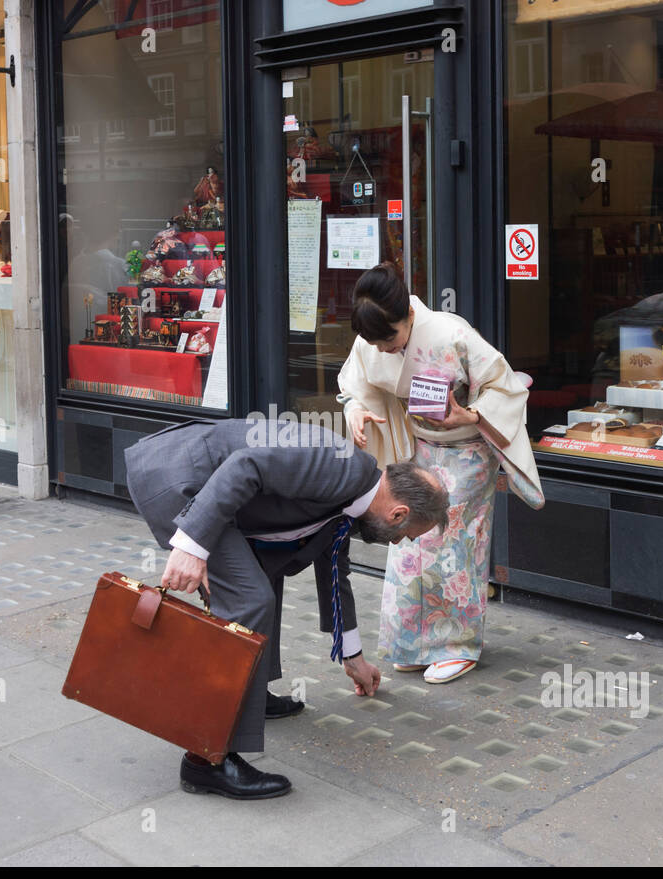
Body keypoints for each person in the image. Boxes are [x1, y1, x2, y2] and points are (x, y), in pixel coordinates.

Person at [125, 418, 449, 799]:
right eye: (407, 535)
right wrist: (193, 546)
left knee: (265, 572)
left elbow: (334, 573)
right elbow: (246, 466)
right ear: (398, 513)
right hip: (179, 478)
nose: (398, 543)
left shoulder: (354, 497)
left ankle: (251, 692)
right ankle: (205, 759)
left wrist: (353, 656)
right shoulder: (341, 467)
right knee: (250, 599)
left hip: (203, 482)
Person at [337, 263, 545, 685]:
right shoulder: (372, 341)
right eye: (376, 343)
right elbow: (357, 384)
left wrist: (468, 414)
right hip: (415, 451)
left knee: (455, 545)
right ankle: (412, 642)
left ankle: (458, 645)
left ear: (409, 316)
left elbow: (507, 388)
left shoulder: (452, 334)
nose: (384, 350)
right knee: (409, 543)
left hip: (466, 454)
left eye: (390, 339)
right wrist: (356, 409)